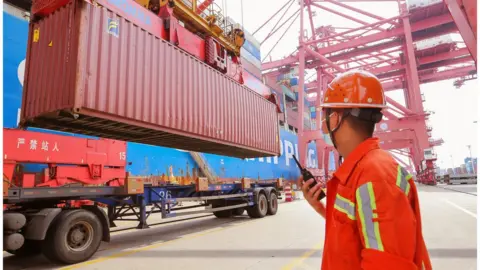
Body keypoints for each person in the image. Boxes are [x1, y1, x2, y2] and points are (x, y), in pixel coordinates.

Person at [300, 70, 432, 270]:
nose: (325, 128)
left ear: (335, 119)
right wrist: (319, 207)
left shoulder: (375, 177)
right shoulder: (362, 170)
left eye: (325, 120)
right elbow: (357, 229)